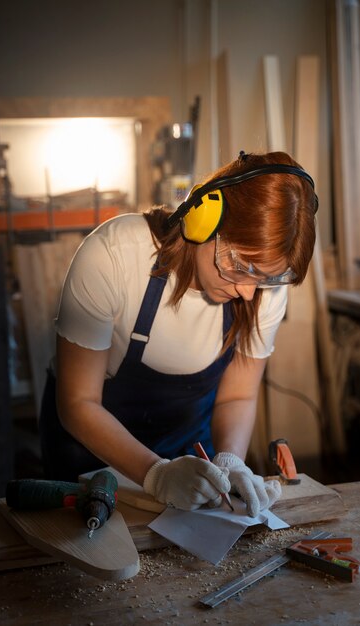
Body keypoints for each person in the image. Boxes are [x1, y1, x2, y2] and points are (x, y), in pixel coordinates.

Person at [39, 150, 318, 517]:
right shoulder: (114, 255)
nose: (249, 292)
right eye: (239, 265)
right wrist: (156, 474)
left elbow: (237, 396)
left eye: (266, 277)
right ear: (203, 220)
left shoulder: (262, 287)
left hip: (190, 455)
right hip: (90, 454)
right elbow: (78, 403)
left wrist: (231, 460)